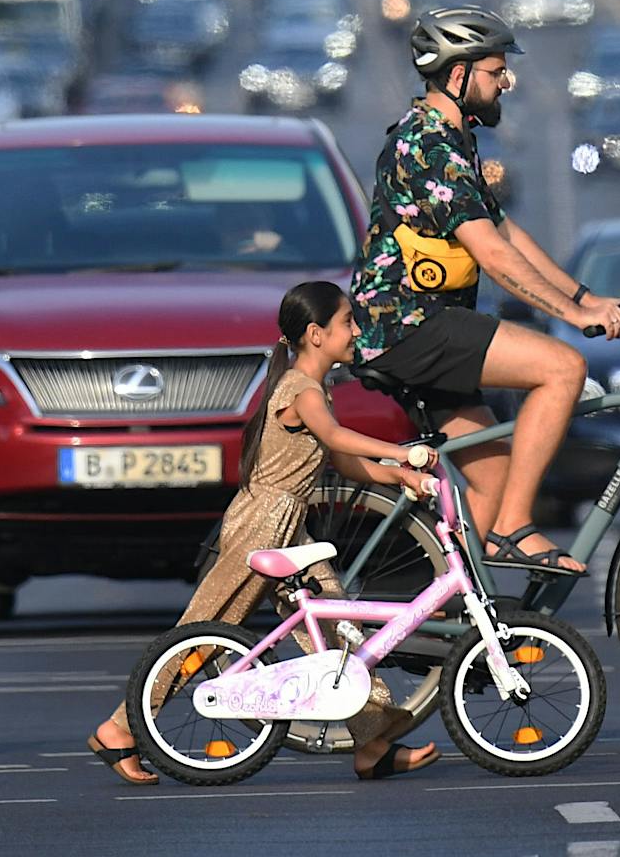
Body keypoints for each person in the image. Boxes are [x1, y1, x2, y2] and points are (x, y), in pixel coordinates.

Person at [89, 280, 437, 785]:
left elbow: (341, 460)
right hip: (261, 523)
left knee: (334, 622)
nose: (356, 331)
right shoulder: (300, 389)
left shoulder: (317, 391)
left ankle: (372, 741)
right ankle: (120, 727)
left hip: (289, 526)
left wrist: (400, 476)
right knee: (206, 626)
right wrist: (405, 452)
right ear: (316, 335)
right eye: (348, 322)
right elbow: (338, 438)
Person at [350, 7, 620, 575]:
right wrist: (573, 320)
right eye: (496, 71)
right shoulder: (427, 144)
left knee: (493, 472)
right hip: (409, 324)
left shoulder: (454, 139)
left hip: (429, 324)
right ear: (458, 76)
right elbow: (494, 255)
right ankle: (513, 529)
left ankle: (453, 627)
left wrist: (585, 298)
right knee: (563, 368)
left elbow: (507, 232)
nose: (506, 82)